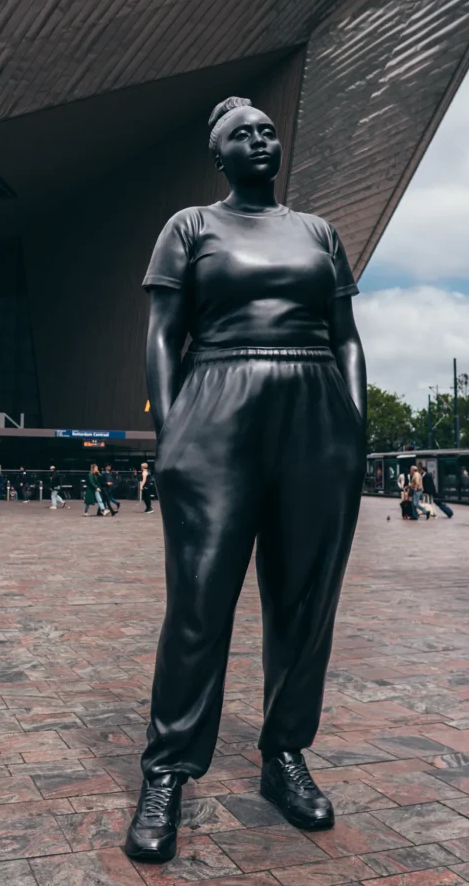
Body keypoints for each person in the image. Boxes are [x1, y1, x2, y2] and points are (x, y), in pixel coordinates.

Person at [125, 96, 366, 863]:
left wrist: (353, 426)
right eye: (242, 133)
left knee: (304, 601)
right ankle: (167, 770)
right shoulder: (190, 227)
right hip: (217, 406)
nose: (260, 139)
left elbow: (347, 337)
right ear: (219, 154)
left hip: (315, 410)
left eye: (267, 129)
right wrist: (172, 433)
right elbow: (162, 336)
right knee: (198, 601)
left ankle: (284, 754)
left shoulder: (319, 233)